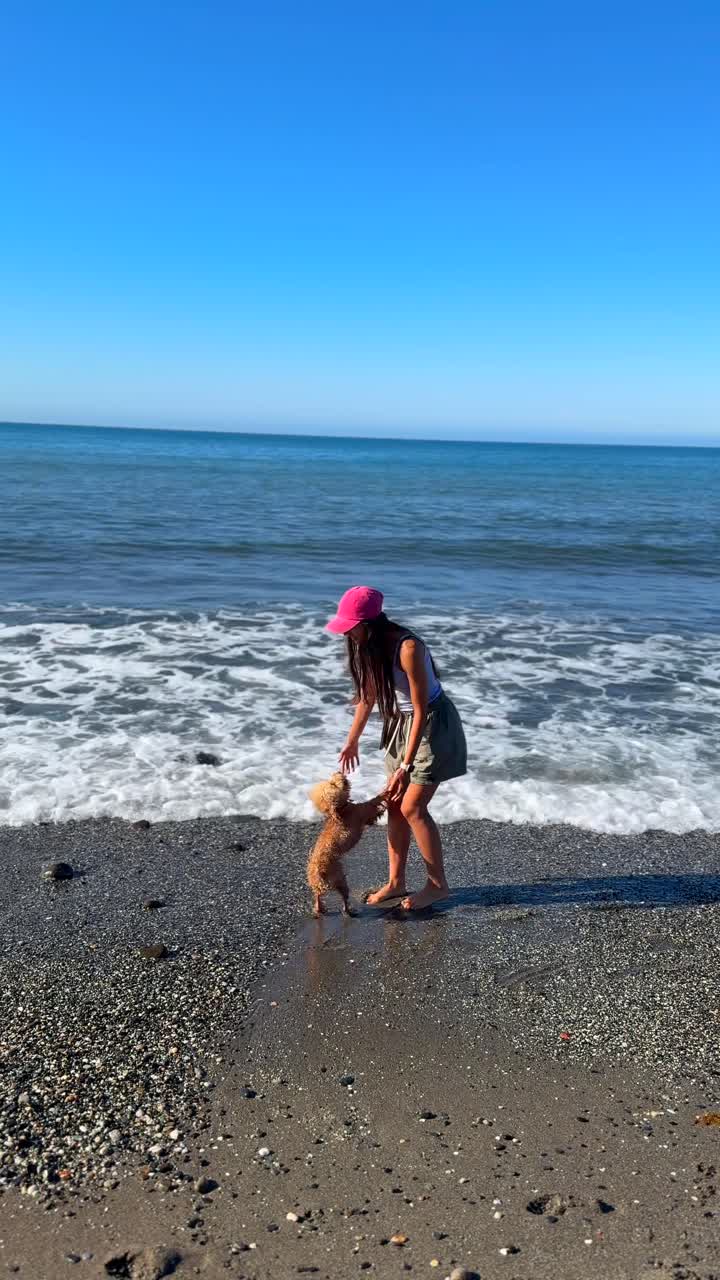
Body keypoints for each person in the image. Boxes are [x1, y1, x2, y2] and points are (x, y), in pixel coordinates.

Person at [326, 585, 467, 910]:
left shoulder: (408, 648)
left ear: (368, 624)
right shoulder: (368, 647)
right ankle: (396, 882)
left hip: (430, 725)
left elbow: (420, 708)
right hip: (400, 726)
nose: (346, 633)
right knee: (394, 805)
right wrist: (352, 741)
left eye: (350, 626)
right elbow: (368, 697)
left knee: (412, 807)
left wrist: (405, 766)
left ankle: (437, 886)